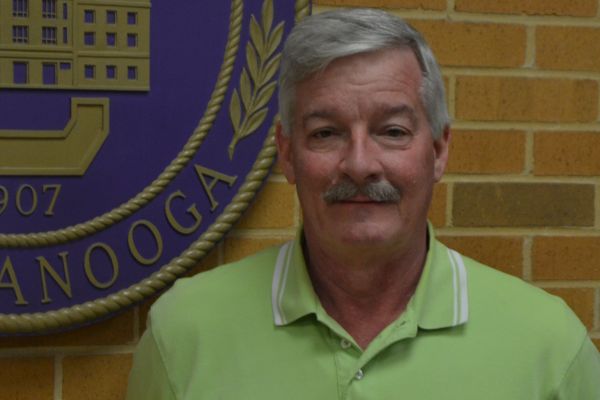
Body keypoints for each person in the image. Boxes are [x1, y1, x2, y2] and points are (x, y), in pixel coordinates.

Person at [126, 8, 600, 399]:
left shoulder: (550, 346)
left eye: (392, 132)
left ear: (438, 150)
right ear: (288, 154)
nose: (358, 163)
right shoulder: (184, 332)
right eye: (326, 133)